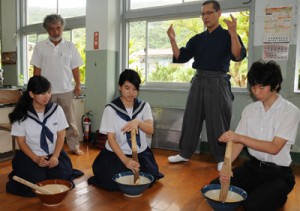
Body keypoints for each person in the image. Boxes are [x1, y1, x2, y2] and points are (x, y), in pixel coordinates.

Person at [166, 0, 246, 171]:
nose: (206, 17)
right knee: (191, 117)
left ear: (218, 13)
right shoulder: (198, 39)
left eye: (209, 13)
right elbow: (181, 57)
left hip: (218, 81)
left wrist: (233, 33)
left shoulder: (227, 35)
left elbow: (238, 55)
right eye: (203, 14)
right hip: (199, 81)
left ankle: (221, 157)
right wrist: (172, 39)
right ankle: (185, 153)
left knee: (218, 120)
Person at [211, 60, 300, 210]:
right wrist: (226, 167)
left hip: (278, 174)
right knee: (214, 187)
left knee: (252, 206)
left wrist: (239, 137)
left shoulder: (290, 112)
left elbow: (274, 148)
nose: (256, 92)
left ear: (276, 85)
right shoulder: (250, 110)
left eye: (261, 87)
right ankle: (259, 192)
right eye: (253, 87)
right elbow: (237, 143)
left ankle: (277, 195)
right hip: (253, 168)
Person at [6, 76, 83, 197]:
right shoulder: (21, 114)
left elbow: (61, 134)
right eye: (41, 93)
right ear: (31, 94)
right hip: (31, 155)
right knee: (37, 184)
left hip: (54, 153)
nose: (47, 96)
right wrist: (36, 159)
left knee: (61, 179)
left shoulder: (56, 110)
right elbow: (21, 142)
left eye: (48, 91)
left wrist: (56, 156)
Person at [88, 69, 164, 191]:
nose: (131, 93)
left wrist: (138, 122)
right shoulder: (111, 109)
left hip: (140, 153)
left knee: (147, 178)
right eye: (127, 88)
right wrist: (125, 160)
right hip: (116, 154)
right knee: (112, 182)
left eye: (134, 89)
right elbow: (111, 139)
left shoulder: (144, 106)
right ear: (120, 87)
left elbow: (150, 130)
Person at [31, 14, 84, 156]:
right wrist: (36, 89)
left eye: (58, 28)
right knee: (47, 120)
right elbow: (37, 70)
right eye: (52, 29)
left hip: (66, 90)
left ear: (62, 29)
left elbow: (75, 68)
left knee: (70, 120)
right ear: (47, 30)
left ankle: (75, 146)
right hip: (46, 92)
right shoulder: (40, 46)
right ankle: (50, 147)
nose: (56, 32)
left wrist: (78, 85)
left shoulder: (70, 46)